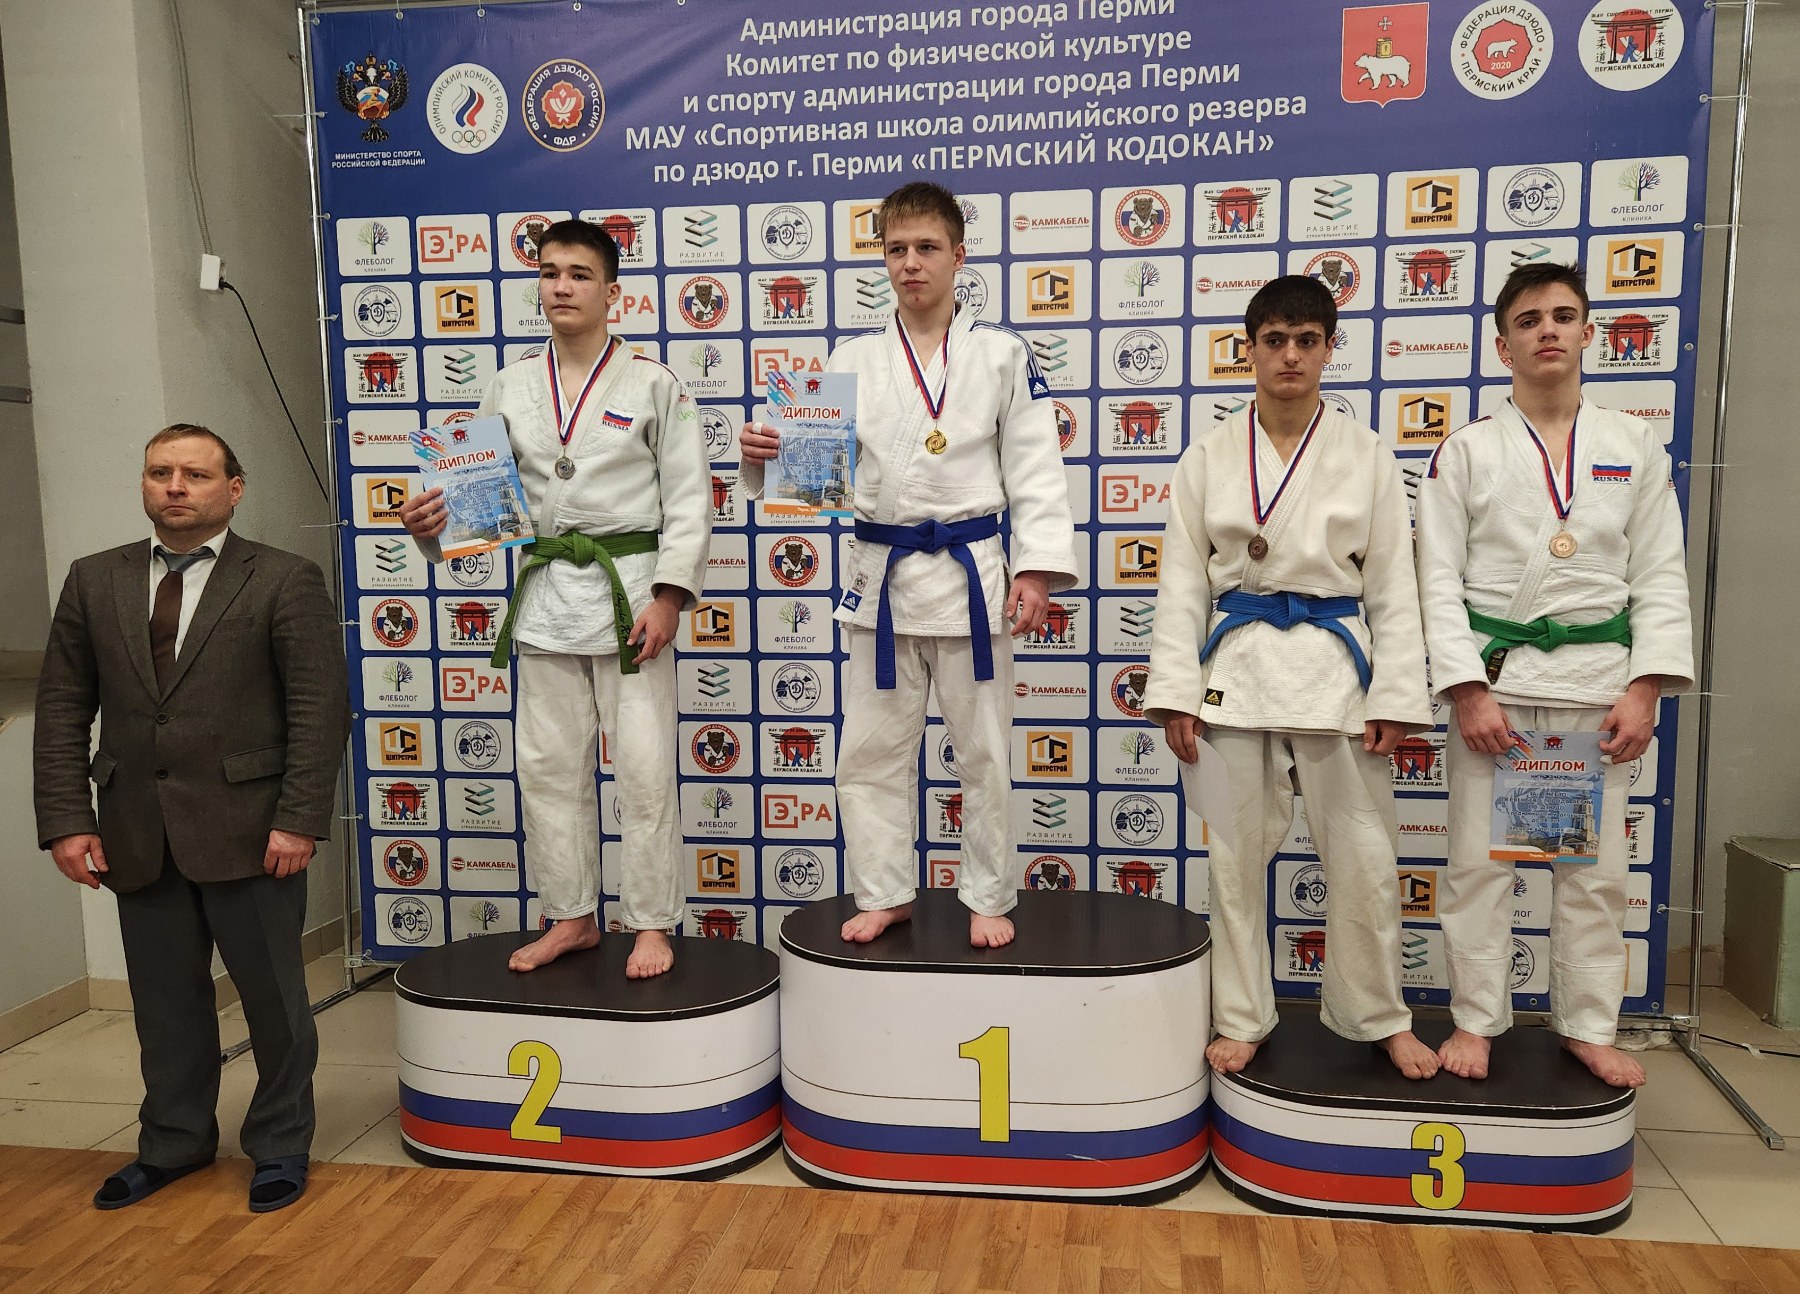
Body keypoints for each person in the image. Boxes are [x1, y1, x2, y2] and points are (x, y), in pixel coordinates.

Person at [740, 181, 1078, 949]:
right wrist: (763, 460)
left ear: (959, 255)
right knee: (868, 754)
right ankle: (885, 891)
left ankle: (988, 893)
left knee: (984, 754)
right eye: (896, 249)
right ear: (882, 259)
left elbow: (1036, 470)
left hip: (971, 577)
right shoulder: (850, 358)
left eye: (927, 248)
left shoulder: (1002, 355)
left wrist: (1035, 571)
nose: (911, 263)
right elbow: (814, 477)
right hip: (881, 580)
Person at [34, 425, 349, 1212]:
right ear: (144, 484)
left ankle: (279, 1143)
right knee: (165, 1006)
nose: (175, 486)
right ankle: (173, 1142)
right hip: (136, 831)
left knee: (274, 1004)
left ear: (233, 489)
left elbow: (319, 711)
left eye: (196, 474)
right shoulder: (94, 579)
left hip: (254, 831)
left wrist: (301, 818)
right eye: (161, 472)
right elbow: (63, 707)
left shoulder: (283, 578)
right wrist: (68, 818)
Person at [1142, 276, 1439, 1078]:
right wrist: (1175, 693)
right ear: (1248, 349)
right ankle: (1242, 1014)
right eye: (1274, 340)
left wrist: (1397, 693)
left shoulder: (1367, 455)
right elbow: (1181, 583)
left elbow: (1393, 586)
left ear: (1329, 349)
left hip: (1336, 669)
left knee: (1365, 861)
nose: (1290, 356)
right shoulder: (1208, 456)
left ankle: (1380, 1016)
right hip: (1236, 668)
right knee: (1233, 862)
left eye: (1307, 340)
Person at [400, 219, 710, 978]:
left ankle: (651, 922)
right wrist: (431, 529)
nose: (561, 286)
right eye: (549, 272)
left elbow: (689, 499)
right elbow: (479, 505)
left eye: (579, 274)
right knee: (547, 769)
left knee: (643, 769)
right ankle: (570, 915)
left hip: (630, 592)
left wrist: (670, 598)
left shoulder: (655, 383)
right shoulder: (508, 385)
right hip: (544, 594)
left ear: (612, 292)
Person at [1415, 262, 1693, 1088]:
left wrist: (1645, 686)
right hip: (1498, 690)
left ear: (1588, 334)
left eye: (1564, 316)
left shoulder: (1632, 444)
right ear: (1503, 346)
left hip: (1596, 689)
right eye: (1529, 319)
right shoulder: (1466, 451)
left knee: (1593, 876)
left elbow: (1660, 573)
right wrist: (1466, 689)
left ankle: (1587, 1025)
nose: (1548, 330)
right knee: (1479, 868)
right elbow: (1436, 579)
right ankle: (1476, 1020)